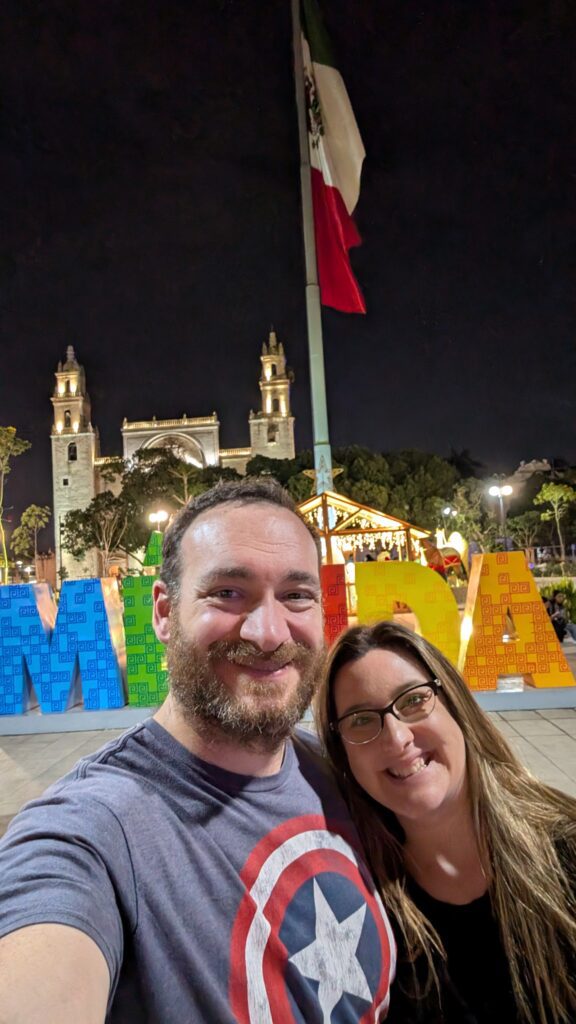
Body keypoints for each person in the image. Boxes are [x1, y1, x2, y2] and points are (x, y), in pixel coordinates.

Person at [0, 479, 395, 1023]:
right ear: (164, 612)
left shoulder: (337, 770)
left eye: (296, 595)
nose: (268, 633)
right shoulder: (91, 833)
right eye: (228, 593)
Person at [317, 620, 576, 1024]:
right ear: (343, 755)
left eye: (413, 700)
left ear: (455, 704)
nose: (397, 738)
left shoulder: (567, 851)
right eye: (361, 720)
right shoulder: (361, 908)